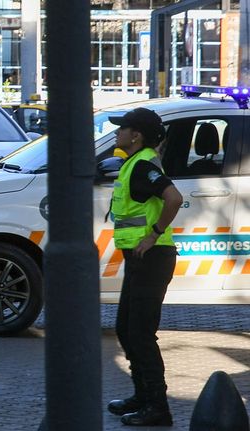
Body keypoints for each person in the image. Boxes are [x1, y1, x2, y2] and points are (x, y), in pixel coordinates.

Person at [106, 107, 182, 427]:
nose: (116, 132)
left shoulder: (142, 165)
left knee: (140, 333)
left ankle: (158, 407)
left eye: (122, 128)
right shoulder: (135, 162)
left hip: (153, 259)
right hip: (139, 260)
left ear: (136, 135)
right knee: (126, 329)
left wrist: (153, 235)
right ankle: (141, 396)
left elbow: (174, 198)